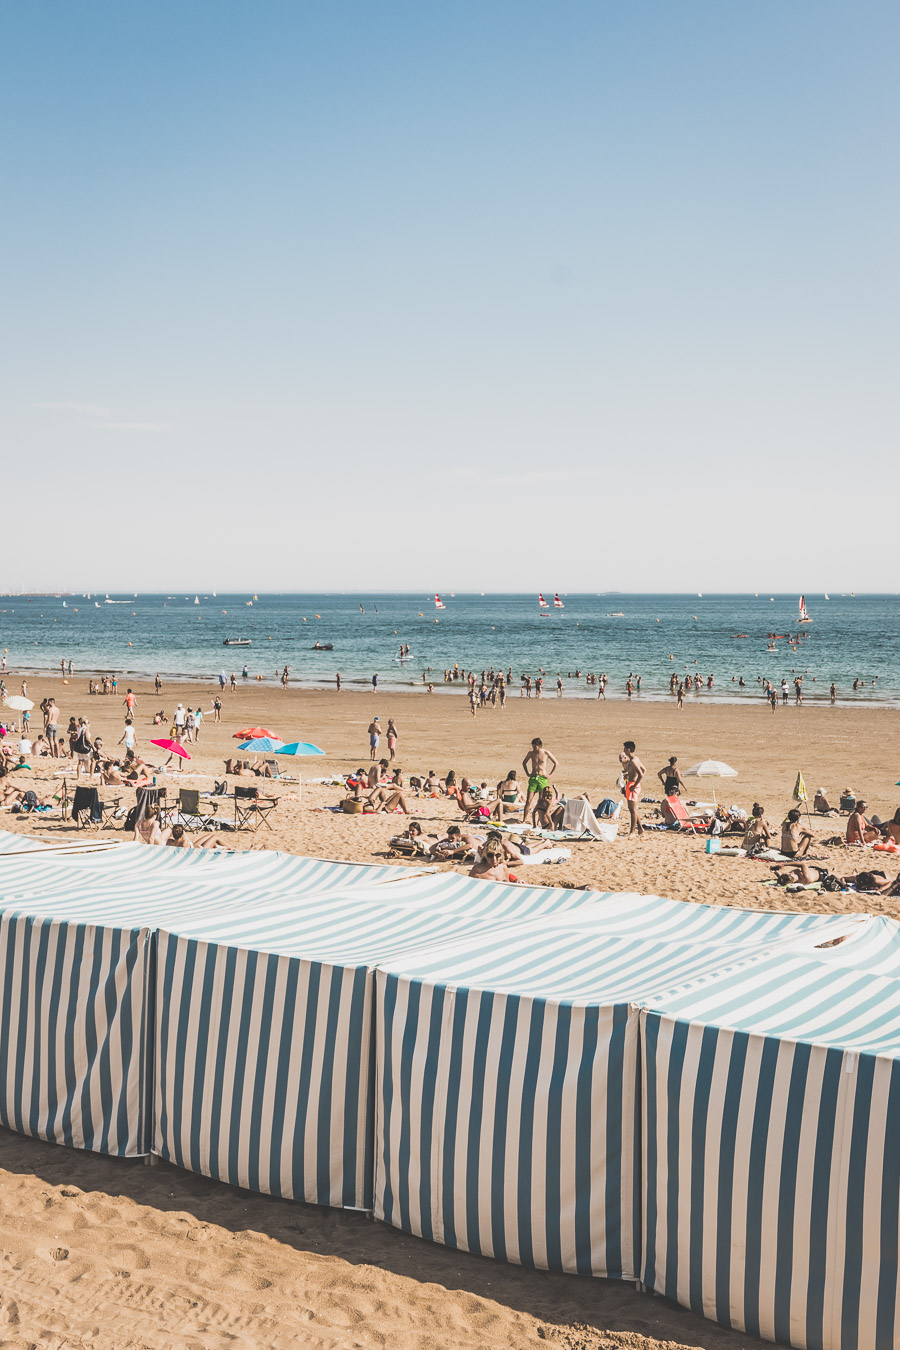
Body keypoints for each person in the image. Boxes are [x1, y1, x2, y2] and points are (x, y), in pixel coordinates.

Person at [521, 738, 559, 824]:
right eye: (533, 747)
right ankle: (524, 819)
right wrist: (527, 773)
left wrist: (550, 775)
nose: (534, 748)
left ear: (540, 746)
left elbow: (556, 763)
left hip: (543, 778)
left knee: (541, 801)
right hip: (534, 777)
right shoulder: (531, 753)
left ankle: (539, 820)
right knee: (528, 800)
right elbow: (524, 763)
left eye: (535, 747)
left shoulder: (546, 753)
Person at [620, 741, 645, 835]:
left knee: (632, 809)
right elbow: (644, 770)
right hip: (632, 784)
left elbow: (641, 774)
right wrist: (629, 774)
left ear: (628, 749)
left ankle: (632, 832)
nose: (624, 750)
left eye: (624, 749)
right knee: (632, 808)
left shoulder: (633, 761)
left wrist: (634, 785)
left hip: (632, 785)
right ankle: (640, 829)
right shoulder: (636, 759)